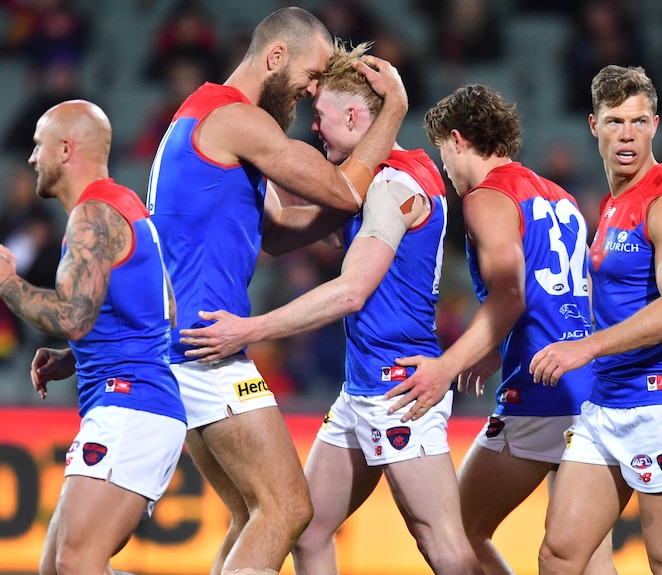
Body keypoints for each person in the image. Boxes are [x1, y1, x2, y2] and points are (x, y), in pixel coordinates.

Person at [177, 40, 482, 575]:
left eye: (321, 116)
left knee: (443, 544)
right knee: (309, 527)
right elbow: (287, 230)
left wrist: (250, 327)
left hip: (398, 386)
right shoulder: (373, 180)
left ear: (354, 114)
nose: (313, 128)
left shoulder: (391, 186)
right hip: (360, 388)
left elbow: (350, 291)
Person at [144, 7, 408, 575]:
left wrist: (341, 216)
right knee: (290, 509)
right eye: (312, 76)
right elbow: (341, 189)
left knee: (251, 513)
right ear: (276, 57)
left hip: (182, 342)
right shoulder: (237, 120)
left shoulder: (202, 118)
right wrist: (394, 114)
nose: (313, 91)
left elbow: (278, 234)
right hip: (206, 346)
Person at [382, 84, 616, 574]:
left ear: (457, 140)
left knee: (457, 529)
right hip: (591, 381)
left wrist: (447, 366)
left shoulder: (486, 198)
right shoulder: (560, 196)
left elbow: (512, 295)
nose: (445, 168)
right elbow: (569, 294)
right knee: (588, 556)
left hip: (540, 386)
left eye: (444, 154)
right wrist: (492, 347)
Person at [529, 65, 662, 575]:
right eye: (615, 121)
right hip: (608, 402)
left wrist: (585, 348)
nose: (628, 134)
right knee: (560, 553)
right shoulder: (616, 203)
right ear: (594, 126)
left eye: (638, 121)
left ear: (656, 124)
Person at [0, 100, 186, 574]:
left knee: (77, 565)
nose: (30, 158)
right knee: (57, 569)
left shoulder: (92, 217)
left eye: (38, 146)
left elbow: (72, 315)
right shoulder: (122, 206)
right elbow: (164, 311)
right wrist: (78, 356)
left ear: (65, 149)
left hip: (131, 405)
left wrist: (6, 281)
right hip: (133, 403)